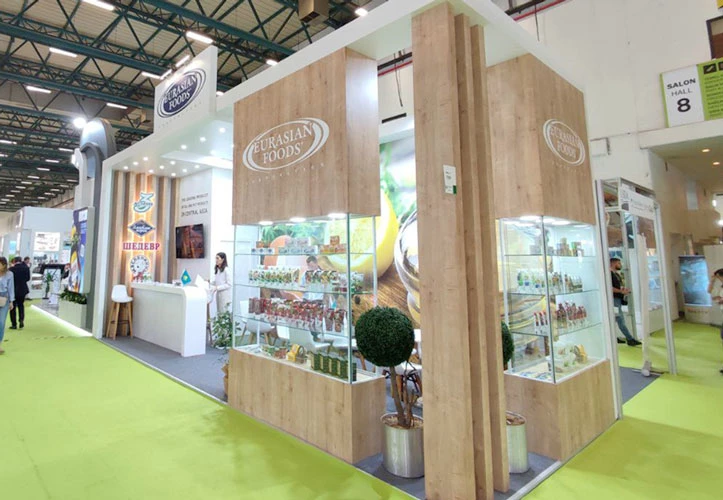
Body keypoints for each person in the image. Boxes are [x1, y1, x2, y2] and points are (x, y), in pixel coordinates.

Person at [610, 258, 641, 346]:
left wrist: (623, 290)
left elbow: (616, 287)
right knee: (620, 319)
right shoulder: (610, 275)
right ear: (613, 264)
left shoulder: (616, 274)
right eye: (619, 263)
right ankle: (629, 339)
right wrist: (621, 291)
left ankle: (615, 337)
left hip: (617, 299)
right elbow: (610, 288)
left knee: (616, 319)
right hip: (614, 300)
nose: (620, 265)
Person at [707, 268, 723, 374]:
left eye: (719, 277)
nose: (719, 279)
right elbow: (710, 291)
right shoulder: (721, 287)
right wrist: (712, 281)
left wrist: (721, 300)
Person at [0, 257, 16, 354]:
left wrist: (11, 301)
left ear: (4, 265)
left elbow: (11, 288)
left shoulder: (9, 274)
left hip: (4, 298)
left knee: (1, 322)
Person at [9, 257, 29, 330]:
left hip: (13, 290)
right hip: (22, 290)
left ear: (14, 261)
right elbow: (28, 278)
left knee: (12, 307)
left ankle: (14, 324)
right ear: (21, 261)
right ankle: (21, 320)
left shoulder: (11, 269)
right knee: (21, 305)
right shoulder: (26, 268)